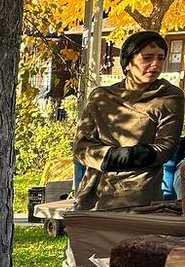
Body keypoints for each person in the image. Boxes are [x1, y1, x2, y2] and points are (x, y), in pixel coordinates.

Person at [74, 30, 184, 212]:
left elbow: (166, 147)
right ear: (127, 63)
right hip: (95, 193)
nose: (155, 64)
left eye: (161, 58)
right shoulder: (101, 97)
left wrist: (130, 156)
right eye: (147, 57)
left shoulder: (170, 97)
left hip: (140, 195)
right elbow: (81, 147)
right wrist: (111, 157)